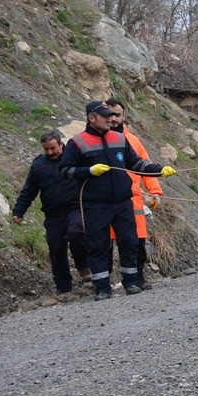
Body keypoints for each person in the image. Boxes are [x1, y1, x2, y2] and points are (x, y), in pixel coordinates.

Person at [59, 101, 175, 300]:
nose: (110, 119)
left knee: (129, 241)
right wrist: (89, 171)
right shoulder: (78, 143)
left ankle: (131, 282)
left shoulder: (120, 138)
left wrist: (158, 170)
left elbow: (136, 163)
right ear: (92, 118)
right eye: (105, 116)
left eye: (111, 115)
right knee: (98, 245)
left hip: (122, 201)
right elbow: (64, 170)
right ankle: (102, 288)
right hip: (95, 204)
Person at [11, 128, 90, 294]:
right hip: (53, 214)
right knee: (56, 249)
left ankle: (85, 269)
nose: (50, 152)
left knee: (76, 232)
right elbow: (29, 190)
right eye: (46, 149)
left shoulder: (74, 158)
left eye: (53, 148)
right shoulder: (39, 165)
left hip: (76, 207)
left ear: (61, 143)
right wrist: (19, 211)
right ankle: (63, 288)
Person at [106, 99, 164, 289]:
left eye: (118, 114)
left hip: (133, 200)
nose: (114, 118)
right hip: (105, 200)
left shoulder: (133, 141)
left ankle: (137, 278)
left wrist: (155, 191)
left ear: (124, 116)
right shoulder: (97, 140)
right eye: (110, 114)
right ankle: (104, 284)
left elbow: (145, 167)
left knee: (137, 242)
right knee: (104, 244)